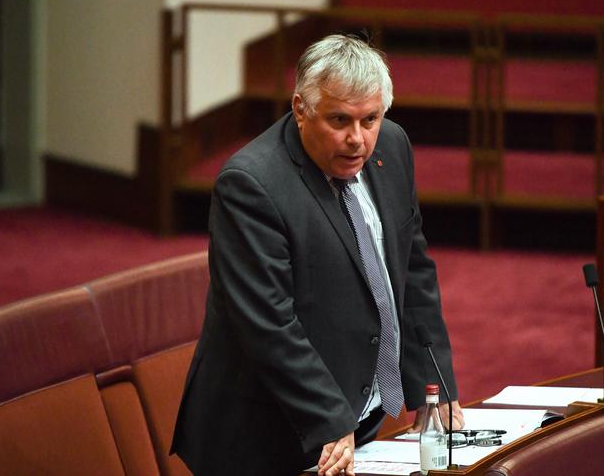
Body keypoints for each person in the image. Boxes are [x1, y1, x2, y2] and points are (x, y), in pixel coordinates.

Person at [171, 34, 464, 476]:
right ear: (300, 108)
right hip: (265, 437)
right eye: (339, 120)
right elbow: (268, 322)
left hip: (351, 420)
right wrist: (329, 415)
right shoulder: (251, 185)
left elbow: (413, 271)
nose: (357, 140)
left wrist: (433, 384)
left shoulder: (393, 147)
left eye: (370, 119)